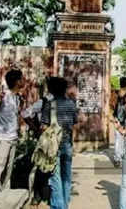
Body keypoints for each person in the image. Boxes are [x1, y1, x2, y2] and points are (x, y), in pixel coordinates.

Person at [0, 69, 25, 205]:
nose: (24, 81)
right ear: (16, 81)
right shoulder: (4, 97)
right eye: (22, 79)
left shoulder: (17, 98)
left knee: (7, 171)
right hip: (2, 138)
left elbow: (16, 117)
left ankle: (3, 196)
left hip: (12, 138)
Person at [41, 77, 78, 209]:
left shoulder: (49, 104)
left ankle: (58, 205)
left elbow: (44, 126)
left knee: (55, 177)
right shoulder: (71, 104)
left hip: (53, 146)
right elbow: (74, 123)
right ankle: (65, 202)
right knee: (66, 175)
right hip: (67, 143)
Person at [111, 76, 126, 167]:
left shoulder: (117, 94)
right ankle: (123, 157)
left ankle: (117, 159)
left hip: (118, 119)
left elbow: (115, 106)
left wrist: (114, 116)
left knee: (118, 140)